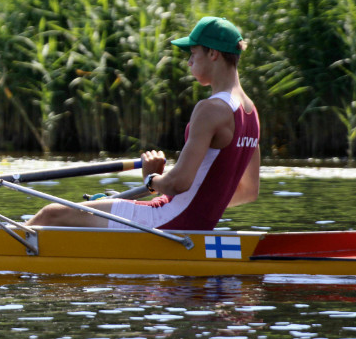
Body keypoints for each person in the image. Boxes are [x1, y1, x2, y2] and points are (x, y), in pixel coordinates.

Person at [26, 16, 260, 231]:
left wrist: (151, 178)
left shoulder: (210, 109)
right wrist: (199, 205)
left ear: (213, 54)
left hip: (168, 220)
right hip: (189, 224)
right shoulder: (252, 114)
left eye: (193, 53)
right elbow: (248, 192)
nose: (189, 62)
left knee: (51, 214)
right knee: (84, 212)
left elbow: (179, 183)